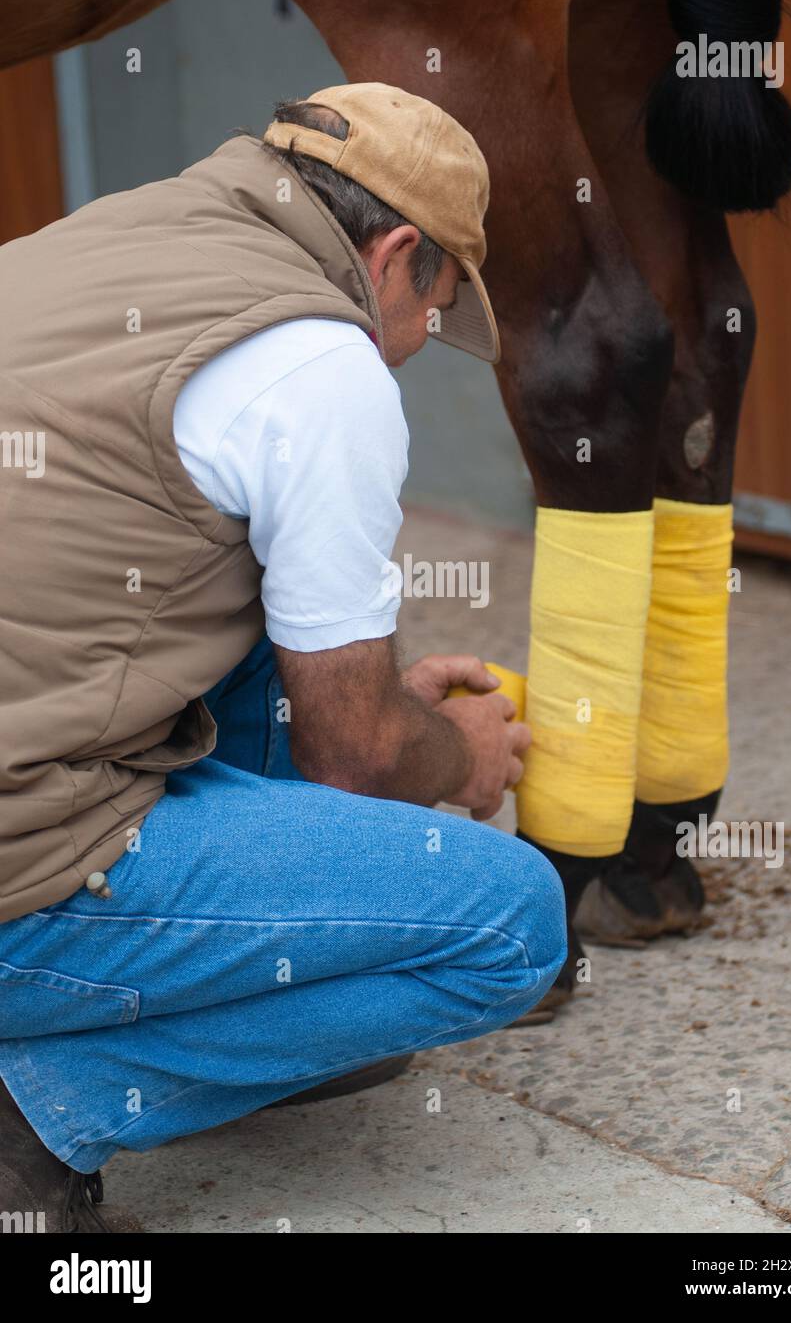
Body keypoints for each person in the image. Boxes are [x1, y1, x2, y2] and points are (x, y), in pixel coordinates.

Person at [0, 82, 566, 1232]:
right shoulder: (321, 361)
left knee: (259, 612)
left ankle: (262, 979)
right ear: (397, 253)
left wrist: (371, 701)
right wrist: (451, 755)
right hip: (25, 866)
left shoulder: (107, 235)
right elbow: (356, 755)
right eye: (435, 310)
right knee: (513, 928)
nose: (412, 350)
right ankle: (35, 1106)